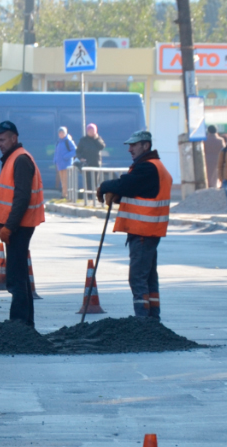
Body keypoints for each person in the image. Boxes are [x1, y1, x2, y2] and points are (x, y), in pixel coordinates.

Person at [96, 131, 171, 321]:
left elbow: (127, 184)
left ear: (145, 146)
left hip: (143, 231)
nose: (129, 149)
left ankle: (143, 320)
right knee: (149, 278)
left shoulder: (147, 168)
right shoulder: (152, 167)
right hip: (148, 231)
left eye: (134, 145)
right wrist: (119, 196)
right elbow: (139, 192)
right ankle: (153, 318)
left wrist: (105, 186)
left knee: (137, 278)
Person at [0, 121, 45, 327]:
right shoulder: (12, 159)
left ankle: (18, 322)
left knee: (16, 278)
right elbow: (9, 190)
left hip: (19, 227)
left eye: (2, 139)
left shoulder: (21, 160)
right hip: (17, 226)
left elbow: (21, 197)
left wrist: (10, 227)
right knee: (19, 276)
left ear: (14, 138)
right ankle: (24, 322)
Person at [76, 123, 105, 191]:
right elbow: (78, 151)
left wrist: (96, 138)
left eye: (93, 130)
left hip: (96, 162)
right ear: (87, 131)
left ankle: (94, 194)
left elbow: (102, 146)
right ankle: (88, 195)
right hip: (86, 163)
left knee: (95, 180)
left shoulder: (98, 139)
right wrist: (80, 158)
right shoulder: (83, 140)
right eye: (90, 130)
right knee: (87, 180)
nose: (91, 132)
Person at [54, 126, 77, 193]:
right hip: (60, 164)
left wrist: (66, 157)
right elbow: (56, 152)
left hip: (67, 164)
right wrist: (55, 160)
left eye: (62, 132)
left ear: (65, 133)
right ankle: (64, 194)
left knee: (66, 180)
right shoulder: (58, 142)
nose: (61, 134)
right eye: (60, 133)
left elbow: (75, 150)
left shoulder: (68, 141)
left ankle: (65, 195)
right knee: (62, 180)